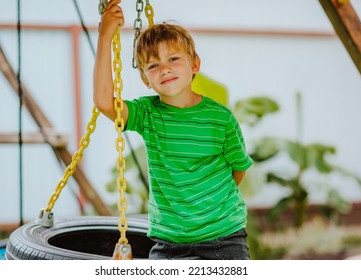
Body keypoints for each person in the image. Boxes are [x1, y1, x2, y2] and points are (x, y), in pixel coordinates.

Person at [93, 0, 253, 260]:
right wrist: (105, 36)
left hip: (223, 238)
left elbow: (239, 168)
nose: (164, 68)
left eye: (174, 59)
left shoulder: (220, 118)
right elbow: (103, 102)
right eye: (153, 65)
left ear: (195, 64)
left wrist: (208, 207)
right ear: (146, 79)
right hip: (168, 243)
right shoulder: (147, 114)